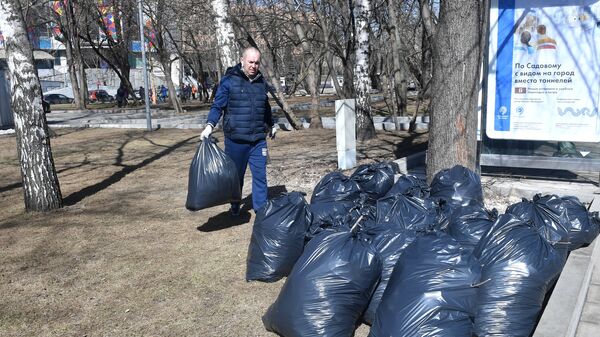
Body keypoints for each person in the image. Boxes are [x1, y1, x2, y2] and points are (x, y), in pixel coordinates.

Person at [200, 46, 277, 215]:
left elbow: (265, 106)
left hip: (258, 139)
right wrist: (209, 126)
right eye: (250, 62)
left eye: (257, 63)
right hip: (236, 140)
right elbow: (217, 106)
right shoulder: (229, 81)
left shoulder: (261, 82)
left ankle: (261, 211)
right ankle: (235, 203)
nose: (254, 66)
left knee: (260, 176)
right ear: (242, 60)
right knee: (236, 177)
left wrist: (272, 124)